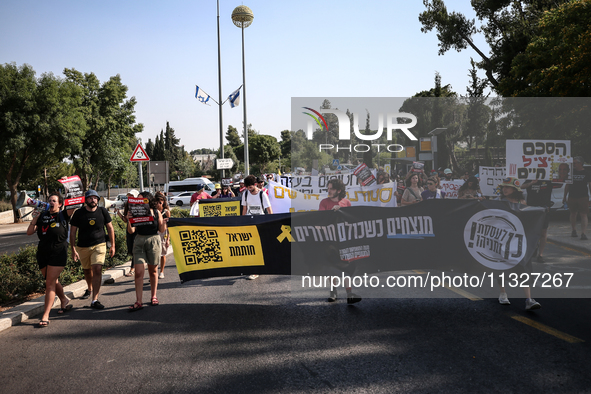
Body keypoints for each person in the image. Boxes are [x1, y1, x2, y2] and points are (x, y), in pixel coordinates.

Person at [26, 192, 76, 327]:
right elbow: (29, 232)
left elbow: (75, 203)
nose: (51, 203)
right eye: (49, 200)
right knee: (52, 281)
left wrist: (70, 190)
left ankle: (46, 315)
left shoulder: (64, 215)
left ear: (60, 204)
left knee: (49, 284)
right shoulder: (43, 216)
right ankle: (64, 300)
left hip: (58, 252)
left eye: (54, 201)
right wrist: (35, 218)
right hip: (43, 253)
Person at [496, 177, 541, 310]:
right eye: (503, 187)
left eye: (507, 187)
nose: (504, 189)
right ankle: (503, 293)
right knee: (501, 268)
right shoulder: (498, 201)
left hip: (518, 241)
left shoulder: (522, 202)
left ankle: (529, 299)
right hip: (501, 240)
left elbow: (528, 220)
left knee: (524, 267)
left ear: (515, 189)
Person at [70, 190, 115, 310]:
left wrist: (113, 245)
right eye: (90, 198)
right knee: (87, 271)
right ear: (86, 200)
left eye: (95, 198)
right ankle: (89, 288)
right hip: (83, 247)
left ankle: (94, 300)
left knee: (97, 268)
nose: (93, 200)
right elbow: (73, 232)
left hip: (99, 245)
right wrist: (73, 249)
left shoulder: (102, 211)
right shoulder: (79, 213)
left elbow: (110, 228)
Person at [318, 179, 360, 304]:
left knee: (346, 264)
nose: (329, 191)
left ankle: (349, 293)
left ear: (339, 190)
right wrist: (332, 212)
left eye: (331, 188)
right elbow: (321, 218)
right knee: (331, 266)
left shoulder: (346, 202)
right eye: (328, 188)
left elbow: (351, 219)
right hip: (329, 239)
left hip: (344, 239)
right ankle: (333, 291)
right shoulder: (324, 202)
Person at [126, 191, 166, 311]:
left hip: (153, 240)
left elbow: (161, 229)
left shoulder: (157, 212)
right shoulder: (135, 212)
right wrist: (129, 220)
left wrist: (164, 223)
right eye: (136, 199)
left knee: (153, 271)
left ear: (147, 200)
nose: (137, 201)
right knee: (138, 272)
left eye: (140, 199)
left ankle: (154, 296)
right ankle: (139, 301)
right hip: (139, 241)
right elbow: (131, 231)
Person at [241, 175, 273, 280]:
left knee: (260, 247)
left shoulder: (262, 194)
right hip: (249, 222)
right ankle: (254, 269)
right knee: (251, 247)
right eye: (247, 187)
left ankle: (257, 269)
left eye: (250, 187)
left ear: (255, 185)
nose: (248, 189)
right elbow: (244, 209)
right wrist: (242, 222)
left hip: (260, 223)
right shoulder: (245, 194)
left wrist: (272, 222)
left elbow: (269, 209)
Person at [521, 179, 553, 262]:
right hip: (531, 209)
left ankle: (540, 254)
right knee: (532, 231)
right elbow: (521, 186)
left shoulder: (548, 179)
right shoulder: (530, 178)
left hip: (544, 209)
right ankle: (534, 247)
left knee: (543, 232)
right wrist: (531, 183)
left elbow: (562, 182)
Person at [563, 156, 591, 240]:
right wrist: (565, 196)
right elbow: (567, 185)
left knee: (583, 214)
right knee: (573, 213)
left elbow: (590, 184)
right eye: (572, 163)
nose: (573, 164)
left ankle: (583, 233)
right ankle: (574, 230)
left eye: (574, 163)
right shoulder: (570, 172)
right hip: (572, 196)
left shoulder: (587, 173)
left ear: (580, 163)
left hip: (583, 196)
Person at [115, 189, 139, 277]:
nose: (130, 197)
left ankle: (132, 269)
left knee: (134, 248)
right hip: (129, 229)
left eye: (132, 196)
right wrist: (119, 214)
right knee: (130, 248)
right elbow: (125, 219)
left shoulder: (140, 206)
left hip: (137, 230)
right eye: (129, 196)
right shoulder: (127, 205)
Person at [154, 192, 170, 279]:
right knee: (154, 254)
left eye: (160, 202)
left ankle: (162, 271)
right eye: (156, 202)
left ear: (163, 202)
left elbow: (169, 227)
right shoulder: (153, 211)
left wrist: (168, 239)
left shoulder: (166, 212)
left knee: (163, 254)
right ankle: (154, 272)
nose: (158, 204)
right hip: (155, 233)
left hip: (163, 234)